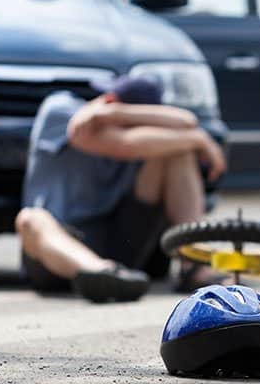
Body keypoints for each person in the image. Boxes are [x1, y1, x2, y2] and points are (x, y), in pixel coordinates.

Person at [15, 75, 227, 303]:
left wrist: (114, 113)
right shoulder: (61, 111)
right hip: (56, 254)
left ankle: (193, 265)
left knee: (178, 150)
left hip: (120, 247)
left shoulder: (122, 122)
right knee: (31, 218)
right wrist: (197, 139)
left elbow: (188, 122)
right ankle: (101, 275)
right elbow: (123, 144)